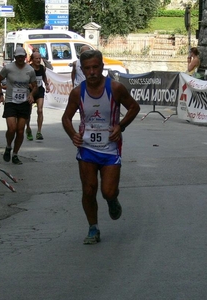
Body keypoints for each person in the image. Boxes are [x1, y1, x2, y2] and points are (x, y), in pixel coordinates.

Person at [62, 50, 140, 245]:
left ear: (102, 66)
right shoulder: (77, 92)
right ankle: (93, 228)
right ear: (82, 69)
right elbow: (66, 118)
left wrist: (120, 126)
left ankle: (112, 201)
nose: (92, 72)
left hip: (110, 148)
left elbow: (134, 107)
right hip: (87, 148)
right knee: (88, 190)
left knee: (108, 191)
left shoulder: (115, 88)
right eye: (87, 68)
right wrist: (73, 135)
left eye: (95, 67)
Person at [0, 47, 37, 165]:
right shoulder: (8, 68)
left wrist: (32, 95)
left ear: (25, 57)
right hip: (10, 101)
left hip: (24, 102)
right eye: (17, 56)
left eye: (22, 56)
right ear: (14, 57)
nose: (20, 59)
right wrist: (0, 94)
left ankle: (15, 154)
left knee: (20, 131)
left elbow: (35, 86)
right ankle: (8, 146)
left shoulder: (30, 70)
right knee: (12, 128)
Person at [25, 51, 50, 141]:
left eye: (40, 58)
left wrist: (47, 85)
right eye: (36, 58)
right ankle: (28, 128)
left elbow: (44, 77)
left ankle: (39, 132)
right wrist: (31, 86)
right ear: (32, 59)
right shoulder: (29, 68)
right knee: (28, 111)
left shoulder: (42, 68)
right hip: (30, 91)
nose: (38, 60)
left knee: (40, 110)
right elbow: (25, 80)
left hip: (39, 90)